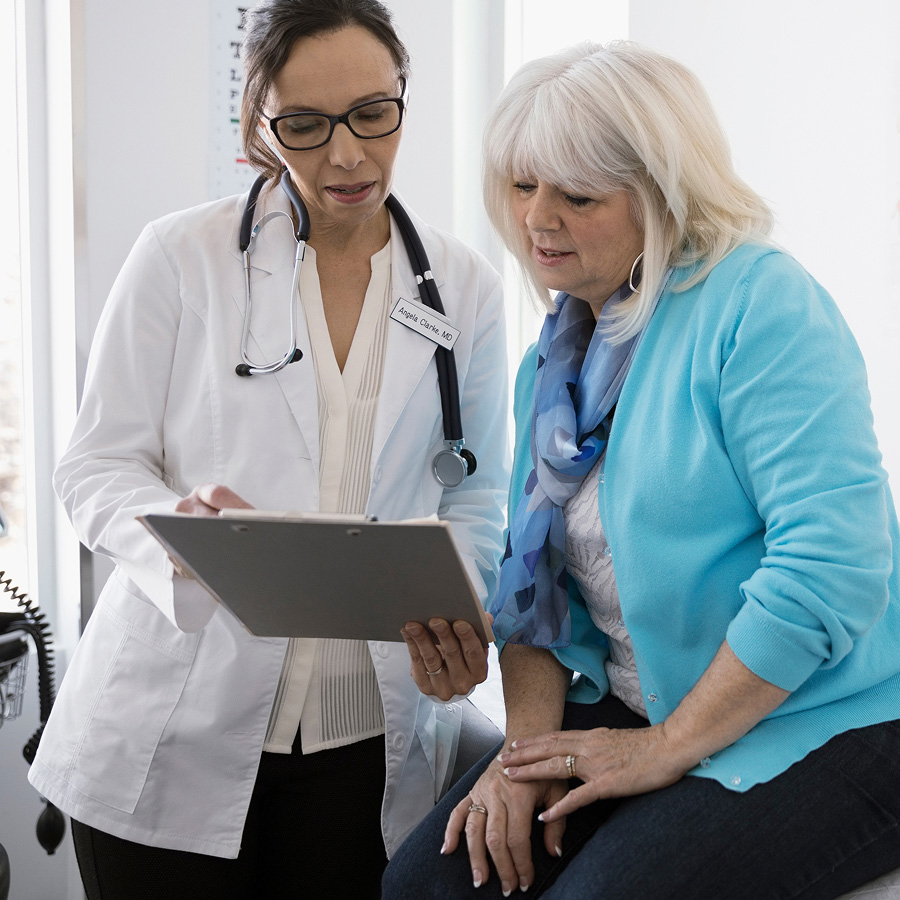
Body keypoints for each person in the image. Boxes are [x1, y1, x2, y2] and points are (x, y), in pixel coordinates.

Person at [382, 40, 900, 900]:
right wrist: (521, 763)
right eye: (521, 187)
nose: (537, 219)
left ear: (663, 199)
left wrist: (666, 748)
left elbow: (829, 571)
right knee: (427, 885)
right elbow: (535, 585)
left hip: (828, 715)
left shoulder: (760, 305)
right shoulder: (557, 358)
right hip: (643, 696)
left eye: (577, 195)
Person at [28, 2, 509, 897]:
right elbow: (92, 465)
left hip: (363, 746)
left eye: (374, 112)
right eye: (305, 125)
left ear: (404, 97)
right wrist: (179, 533)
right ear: (259, 123)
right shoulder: (181, 256)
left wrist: (463, 603)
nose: (347, 155)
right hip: (170, 735)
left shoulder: (465, 287)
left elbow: (477, 493)